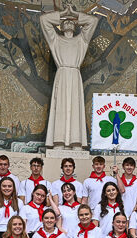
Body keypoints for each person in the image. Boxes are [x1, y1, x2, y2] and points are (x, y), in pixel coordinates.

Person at [40, 6, 98, 149]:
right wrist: (62, 14)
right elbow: (43, 20)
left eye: (71, 21)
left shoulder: (82, 40)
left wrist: (75, 15)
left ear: (76, 26)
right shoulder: (55, 40)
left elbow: (93, 21)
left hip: (74, 75)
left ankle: (75, 141)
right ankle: (58, 141)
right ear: (61, 26)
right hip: (62, 74)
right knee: (60, 109)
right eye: (65, 21)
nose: (68, 22)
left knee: (75, 109)